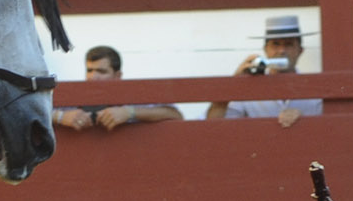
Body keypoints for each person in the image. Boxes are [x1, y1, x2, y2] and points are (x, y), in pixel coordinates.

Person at [208, 13, 321, 125]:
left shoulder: (316, 90)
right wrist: (234, 81)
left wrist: (304, 119)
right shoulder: (248, 89)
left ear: (300, 50)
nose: (282, 51)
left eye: (289, 44)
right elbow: (214, 124)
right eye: (275, 44)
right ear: (266, 50)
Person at [54, 44, 183, 134]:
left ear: (118, 76)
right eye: (90, 70)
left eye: (101, 71)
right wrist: (60, 117)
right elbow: (36, 114)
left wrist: (129, 113)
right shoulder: (74, 96)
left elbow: (175, 115)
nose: (93, 76)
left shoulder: (131, 96)